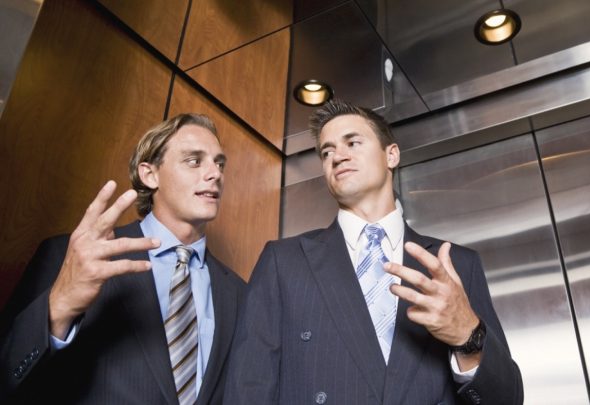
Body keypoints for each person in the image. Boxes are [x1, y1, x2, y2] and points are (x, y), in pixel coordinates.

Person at [224, 100, 523, 404]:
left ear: (391, 155)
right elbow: (249, 387)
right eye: (327, 152)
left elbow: (507, 399)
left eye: (352, 142)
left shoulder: (455, 264)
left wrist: (467, 336)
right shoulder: (284, 261)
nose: (338, 156)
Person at [0, 113, 245, 404]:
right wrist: (59, 305)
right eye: (194, 160)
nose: (215, 173)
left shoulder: (241, 293)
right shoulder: (74, 256)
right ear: (149, 174)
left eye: (219, 163)